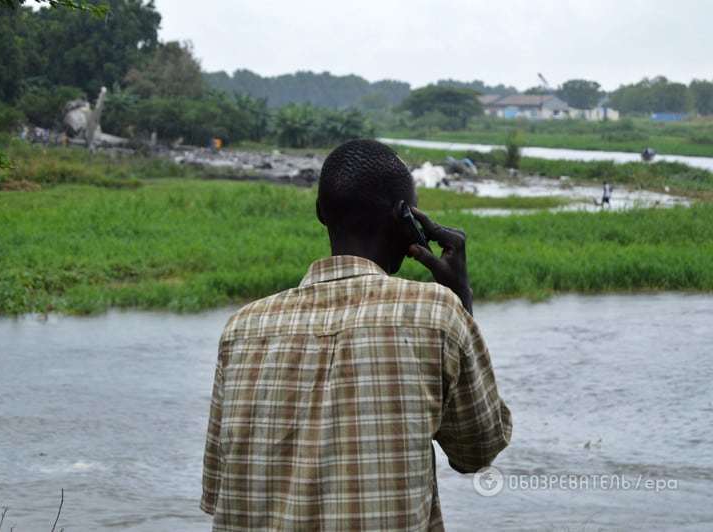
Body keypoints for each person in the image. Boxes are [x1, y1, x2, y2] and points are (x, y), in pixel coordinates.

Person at [201, 139, 512, 531]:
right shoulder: (437, 314)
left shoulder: (242, 329)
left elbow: (218, 491)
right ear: (407, 219)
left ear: (320, 213)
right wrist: (462, 297)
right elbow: (478, 450)